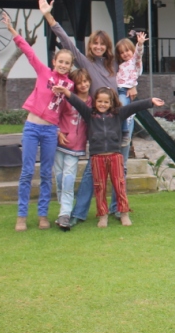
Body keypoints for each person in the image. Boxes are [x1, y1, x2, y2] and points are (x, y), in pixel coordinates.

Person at [37, 0, 125, 224]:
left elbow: (132, 69)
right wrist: (48, 16)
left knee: (120, 169)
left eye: (102, 44)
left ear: (107, 46)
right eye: (95, 43)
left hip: (118, 122)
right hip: (96, 124)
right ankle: (77, 213)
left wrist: (132, 87)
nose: (98, 47)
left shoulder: (114, 65)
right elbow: (66, 42)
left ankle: (117, 209)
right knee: (92, 172)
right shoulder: (85, 62)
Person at [2, 13, 73, 232]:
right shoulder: (44, 73)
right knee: (26, 172)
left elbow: (67, 110)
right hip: (32, 128)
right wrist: (12, 31)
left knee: (46, 173)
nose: (63, 65)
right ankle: (21, 216)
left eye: (67, 63)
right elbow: (29, 52)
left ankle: (43, 215)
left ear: (70, 66)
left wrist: (65, 94)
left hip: (50, 131)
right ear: (54, 62)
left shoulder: (69, 85)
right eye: (60, 61)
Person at [55, 85, 163, 228]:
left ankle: (124, 213)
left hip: (115, 156)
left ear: (111, 103)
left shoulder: (118, 114)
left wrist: (150, 101)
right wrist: (66, 92)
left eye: (106, 102)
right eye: (99, 101)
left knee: (119, 185)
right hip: (97, 158)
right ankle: (103, 216)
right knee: (99, 187)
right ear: (95, 102)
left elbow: (134, 107)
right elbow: (77, 102)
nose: (102, 104)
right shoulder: (90, 115)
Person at [54, 69, 91, 231]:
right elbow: (54, 115)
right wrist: (58, 132)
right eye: (79, 82)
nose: (83, 85)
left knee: (68, 180)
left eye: (85, 81)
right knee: (59, 179)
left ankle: (65, 214)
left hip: (76, 147)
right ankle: (63, 208)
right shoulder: (66, 99)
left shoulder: (92, 101)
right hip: (60, 144)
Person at [115, 31, 147, 153]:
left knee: (122, 107)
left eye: (127, 50)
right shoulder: (121, 65)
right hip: (117, 90)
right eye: (122, 52)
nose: (125, 54)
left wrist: (140, 44)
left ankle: (124, 132)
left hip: (125, 91)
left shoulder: (134, 62)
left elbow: (138, 54)